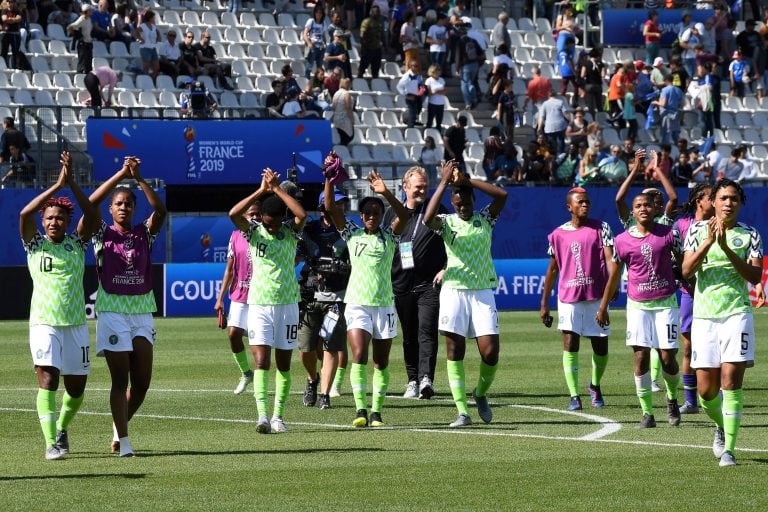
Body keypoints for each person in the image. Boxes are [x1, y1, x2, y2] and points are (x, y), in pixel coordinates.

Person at [20, 151, 99, 460]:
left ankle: (63, 428)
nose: (54, 221)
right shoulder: (34, 243)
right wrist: (55, 187)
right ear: (44, 221)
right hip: (43, 323)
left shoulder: (77, 243)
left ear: (67, 222)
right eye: (50, 217)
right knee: (49, 380)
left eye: (60, 218)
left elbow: (92, 216)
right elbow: (24, 216)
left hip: (75, 325)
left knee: (77, 389)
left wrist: (73, 185)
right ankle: (51, 442)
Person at [87, 156, 166, 457]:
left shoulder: (144, 233)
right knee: (120, 380)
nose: (123, 207)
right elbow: (89, 207)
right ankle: (125, 441)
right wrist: (120, 172)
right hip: (113, 311)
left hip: (142, 310)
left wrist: (140, 179)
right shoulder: (101, 233)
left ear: (133, 208)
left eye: (128, 204)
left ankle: (118, 425)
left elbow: (160, 210)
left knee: (142, 383)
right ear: (111, 209)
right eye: (118, 204)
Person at [682, 179, 763, 467]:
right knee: (706, 392)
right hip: (704, 318)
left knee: (731, 383)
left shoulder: (750, 234)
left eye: (734, 198)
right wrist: (709, 242)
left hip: (736, 315)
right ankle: (720, 424)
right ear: (712, 202)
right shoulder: (695, 231)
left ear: (739, 203)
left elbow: (754, 278)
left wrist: (726, 248)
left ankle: (729, 448)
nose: (728, 203)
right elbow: (687, 271)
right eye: (723, 198)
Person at [423, 160, 508, 426]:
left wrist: (467, 181)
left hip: (482, 291)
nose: (463, 207)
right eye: (458, 204)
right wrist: (444, 182)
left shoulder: (485, 219)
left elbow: (502, 195)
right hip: (454, 292)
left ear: (473, 200)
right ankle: (462, 411)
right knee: (454, 350)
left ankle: (480, 393)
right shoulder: (447, 223)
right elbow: (427, 218)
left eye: (467, 203)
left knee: (490, 352)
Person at [323, 168, 408, 427]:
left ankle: (377, 412)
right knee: (358, 353)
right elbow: (329, 208)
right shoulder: (352, 234)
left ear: (381, 216)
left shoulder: (390, 237)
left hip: (384, 305)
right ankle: (360, 409)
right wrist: (329, 179)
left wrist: (385, 193)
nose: (371, 217)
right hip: (357, 303)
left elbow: (404, 215)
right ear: (361, 216)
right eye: (367, 214)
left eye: (376, 214)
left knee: (380, 361)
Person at [228, 168, 307, 434]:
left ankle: (278, 416)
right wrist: (262, 190)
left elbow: (302, 215)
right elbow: (233, 214)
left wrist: (278, 190)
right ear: (261, 218)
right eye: (267, 223)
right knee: (262, 361)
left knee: (284, 364)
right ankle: (262, 415)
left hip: (287, 306)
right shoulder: (254, 232)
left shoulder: (291, 233)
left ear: (282, 220)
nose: (270, 228)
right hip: (259, 305)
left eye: (275, 224)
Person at [597, 189, 683, 428]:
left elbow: (684, 264)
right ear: (632, 212)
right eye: (638, 206)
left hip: (666, 302)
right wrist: (603, 306)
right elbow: (614, 275)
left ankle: (672, 398)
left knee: (668, 358)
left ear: (655, 209)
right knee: (641, 356)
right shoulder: (622, 240)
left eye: (647, 205)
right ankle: (647, 413)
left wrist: (693, 288)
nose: (643, 208)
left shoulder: (669, 234)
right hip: (638, 306)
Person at [540, 187, 617, 411]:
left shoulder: (602, 228)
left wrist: (613, 284)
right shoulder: (557, 234)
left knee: (601, 347)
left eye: (587, 202)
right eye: (580, 202)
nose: (585, 205)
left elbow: (610, 258)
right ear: (569, 207)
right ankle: (574, 395)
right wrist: (544, 303)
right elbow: (552, 270)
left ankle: (594, 384)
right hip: (569, 298)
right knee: (570, 344)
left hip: (596, 295)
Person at [382, 167, 447, 400]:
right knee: (409, 335)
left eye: (424, 186)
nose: (421, 190)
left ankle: (426, 378)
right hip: (401, 283)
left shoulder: (437, 210)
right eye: (417, 186)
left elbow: (453, 243)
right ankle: (412, 380)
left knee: (426, 331)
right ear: (405, 187)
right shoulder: (391, 213)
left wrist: (445, 268)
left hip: (429, 284)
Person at [296, 190, 351, 409]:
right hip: (310, 296)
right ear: (323, 207)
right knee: (306, 348)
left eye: (342, 204)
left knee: (331, 345)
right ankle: (312, 379)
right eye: (335, 204)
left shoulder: (349, 232)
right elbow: (297, 254)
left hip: (337, 297)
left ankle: (325, 394)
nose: (340, 208)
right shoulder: (309, 230)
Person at [672, 184, 714, 415]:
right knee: (688, 348)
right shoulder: (682, 225)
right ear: (699, 200)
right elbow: (677, 261)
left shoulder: (721, 224)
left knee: (714, 348)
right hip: (690, 293)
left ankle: (716, 394)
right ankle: (690, 401)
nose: (717, 201)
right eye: (711, 197)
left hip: (714, 294)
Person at [213, 201, 261, 395]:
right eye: (252, 214)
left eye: (258, 214)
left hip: (260, 296)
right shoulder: (235, 237)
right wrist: (220, 298)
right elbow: (229, 270)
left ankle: (260, 380)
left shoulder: (265, 235)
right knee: (233, 333)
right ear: (244, 216)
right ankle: (246, 373)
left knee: (257, 341)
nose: (255, 217)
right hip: (239, 294)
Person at [538, 90, 570, 156]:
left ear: (548, 95)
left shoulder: (545, 104)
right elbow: (566, 114)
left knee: (551, 144)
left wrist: (539, 127)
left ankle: (552, 157)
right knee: (560, 142)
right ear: (556, 95)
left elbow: (541, 117)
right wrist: (569, 122)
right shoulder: (560, 102)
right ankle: (561, 156)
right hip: (560, 125)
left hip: (549, 127)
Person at [397, 59, 426, 128]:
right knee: (412, 113)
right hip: (410, 96)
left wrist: (422, 89)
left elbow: (420, 84)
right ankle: (410, 128)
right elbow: (399, 86)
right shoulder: (407, 76)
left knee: (416, 112)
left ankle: (408, 121)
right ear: (410, 66)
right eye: (414, 66)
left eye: (417, 66)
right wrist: (405, 95)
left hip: (417, 96)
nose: (416, 67)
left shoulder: (418, 75)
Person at [358, 5, 384, 79]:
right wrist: (363, 46)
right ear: (371, 13)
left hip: (377, 49)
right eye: (376, 12)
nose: (378, 13)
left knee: (376, 69)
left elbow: (382, 35)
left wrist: (385, 46)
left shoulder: (380, 22)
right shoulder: (366, 22)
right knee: (362, 68)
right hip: (368, 48)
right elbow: (362, 34)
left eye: (378, 12)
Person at [66, 3, 93, 74]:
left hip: (88, 43)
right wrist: (76, 35)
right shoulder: (81, 19)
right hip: (83, 44)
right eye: (90, 10)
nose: (91, 12)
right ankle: (79, 77)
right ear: (86, 11)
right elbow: (69, 27)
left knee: (88, 63)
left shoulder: (89, 19)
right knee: (82, 63)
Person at [303, 5, 327, 80]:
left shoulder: (323, 23)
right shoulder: (311, 21)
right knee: (309, 67)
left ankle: (318, 83)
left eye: (320, 13)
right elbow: (305, 34)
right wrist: (309, 43)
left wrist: (325, 43)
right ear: (315, 13)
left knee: (320, 68)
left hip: (320, 47)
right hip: (313, 46)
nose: (318, 14)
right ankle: (307, 80)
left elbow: (324, 35)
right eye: (317, 12)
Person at [134, 8, 159, 79]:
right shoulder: (143, 26)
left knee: (156, 67)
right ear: (150, 18)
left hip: (153, 48)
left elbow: (157, 33)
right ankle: (145, 80)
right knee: (146, 67)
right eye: (153, 17)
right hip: (145, 48)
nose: (154, 19)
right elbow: (136, 32)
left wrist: (156, 39)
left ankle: (151, 79)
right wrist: (140, 39)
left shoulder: (154, 27)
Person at [331, 77, 354, 145]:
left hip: (336, 119)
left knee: (341, 138)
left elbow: (334, 107)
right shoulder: (346, 93)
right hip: (344, 120)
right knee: (348, 137)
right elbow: (348, 107)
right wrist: (352, 119)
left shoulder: (336, 93)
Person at [1, 0, 23, 69]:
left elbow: (19, 19)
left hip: (15, 34)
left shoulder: (17, 11)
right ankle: (3, 66)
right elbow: (4, 19)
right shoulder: (4, 11)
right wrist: (14, 20)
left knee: (15, 52)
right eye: (8, 1)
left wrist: (10, 19)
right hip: (6, 34)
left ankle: (15, 67)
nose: (10, 3)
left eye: (11, 2)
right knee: (4, 51)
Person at [425, 64, 446, 133]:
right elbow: (429, 94)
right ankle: (428, 134)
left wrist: (436, 91)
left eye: (439, 71)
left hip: (441, 103)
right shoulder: (428, 80)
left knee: (439, 122)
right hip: (432, 103)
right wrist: (437, 91)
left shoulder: (442, 80)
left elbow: (444, 91)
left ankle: (438, 135)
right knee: (430, 121)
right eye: (436, 71)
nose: (438, 73)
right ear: (432, 72)